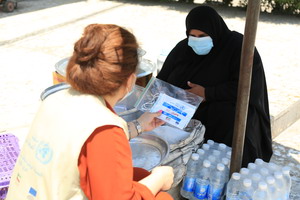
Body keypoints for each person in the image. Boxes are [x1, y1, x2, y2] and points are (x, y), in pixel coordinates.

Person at [6, 24, 174, 200]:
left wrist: (139, 125)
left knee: (137, 174)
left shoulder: (55, 97)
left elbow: (82, 141)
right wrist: (159, 178)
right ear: (130, 78)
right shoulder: (105, 129)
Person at [157, 5, 273, 167]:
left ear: (215, 30)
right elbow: (162, 81)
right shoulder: (183, 48)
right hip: (187, 112)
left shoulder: (239, 47)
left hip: (225, 112)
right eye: (192, 35)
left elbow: (249, 88)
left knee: (228, 116)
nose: (197, 40)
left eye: (203, 35)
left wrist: (207, 93)